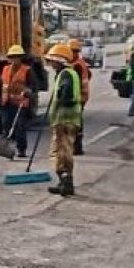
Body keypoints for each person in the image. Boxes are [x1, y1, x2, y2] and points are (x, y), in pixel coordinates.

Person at [44, 43, 82, 197]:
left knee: (61, 151)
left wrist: (60, 97)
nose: (51, 64)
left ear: (60, 60)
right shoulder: (68, 73)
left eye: (53, 61)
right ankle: (64, 182)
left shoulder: (66, 74)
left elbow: (67, 93)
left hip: (65, 120)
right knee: (61, 150)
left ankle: (66, 181)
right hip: (68, 119)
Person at [0, 44, 34, 158]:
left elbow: (32, 86)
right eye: (12, 57)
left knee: (20, 127)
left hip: (21, 104)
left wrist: (28, 91)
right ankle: (9, 149)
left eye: (16, 57)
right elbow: (1, 85)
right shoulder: (5, 69)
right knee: (7, 126)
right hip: (7, 103)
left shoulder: (27, 70)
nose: (14, 60)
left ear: (21, 58)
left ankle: (21, 149)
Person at [67, 38, 91, 155]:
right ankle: (77, 147)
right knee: (77, 121)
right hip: (81, 96)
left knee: (75, 122)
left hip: (78, 97)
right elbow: (89, 75)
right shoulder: (80, 63)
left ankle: (77, 147)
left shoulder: (76, 65)